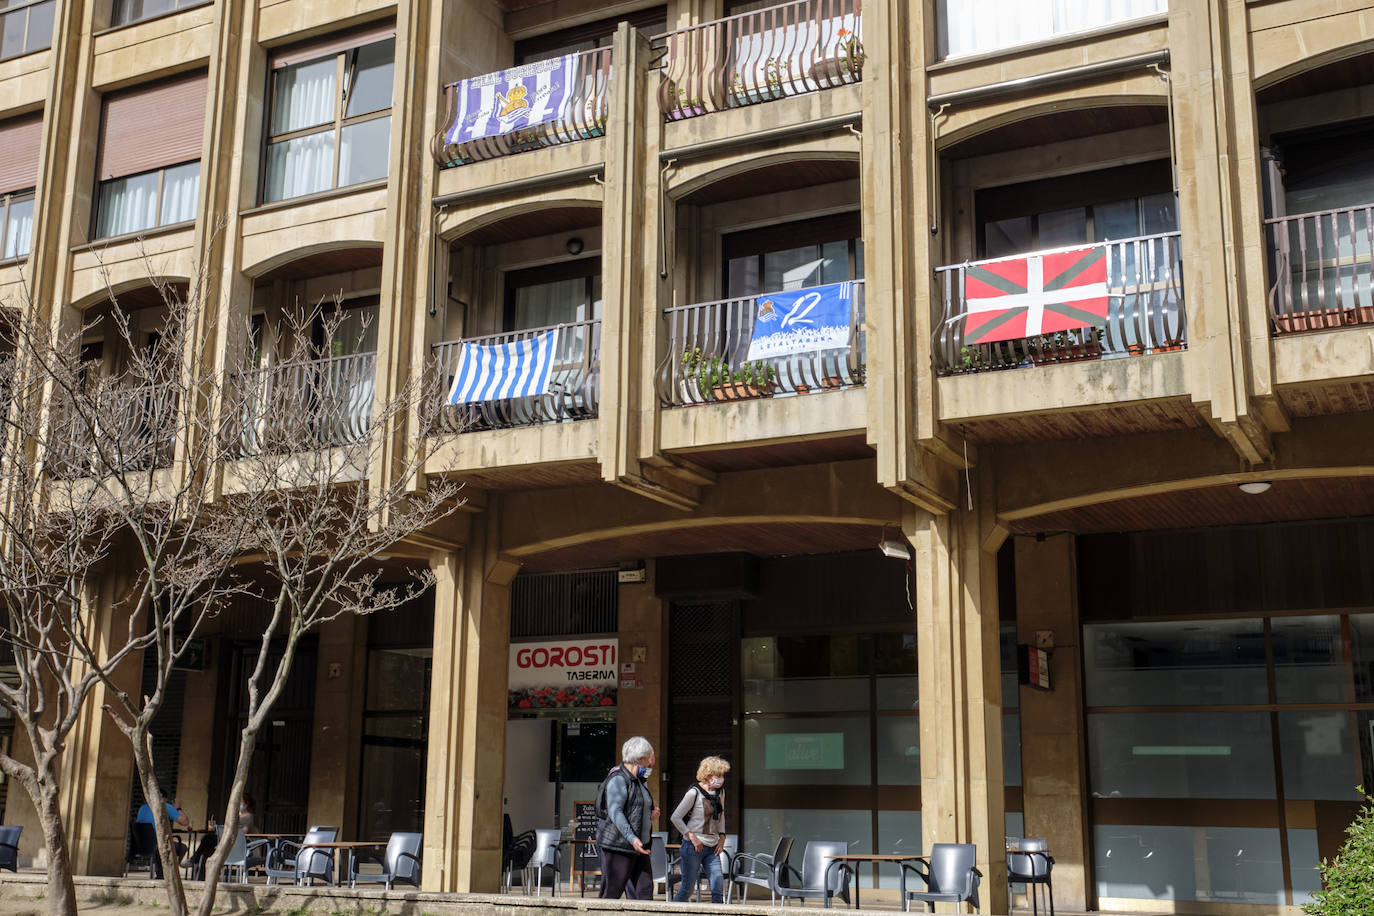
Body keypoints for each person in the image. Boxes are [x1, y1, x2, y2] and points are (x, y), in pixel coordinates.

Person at [596, 736, 658, 900]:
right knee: (612, 893)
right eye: (648, 760)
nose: (649, 766)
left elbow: (636, 809)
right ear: (639, 759)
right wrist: (632, 838)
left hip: (640, 846)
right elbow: (616, 811)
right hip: (620, 845)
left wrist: (650, 813)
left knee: (644, 891)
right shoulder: (618, 779)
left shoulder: (638, 781)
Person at [670, 756, 730, 903]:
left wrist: (722, 837)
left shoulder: (720, 793)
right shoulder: (694, 793)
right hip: (693, 846)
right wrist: (691, 836)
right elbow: (675, 817)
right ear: (708, 775)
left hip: (713, 847)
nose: (721, 779)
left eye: (723, 775)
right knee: (687, 889)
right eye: (719, 775)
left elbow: (720, 816)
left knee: (717, 887)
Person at [136, 794, 189, 879]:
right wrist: (178, 808)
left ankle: (162, 873)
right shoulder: (165, 806)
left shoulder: (142, 808)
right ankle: (169, 873)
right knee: (182, 847)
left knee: (163, 845)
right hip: (157, 846)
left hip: (142, 845)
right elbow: (185, 822)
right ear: (164, 799)